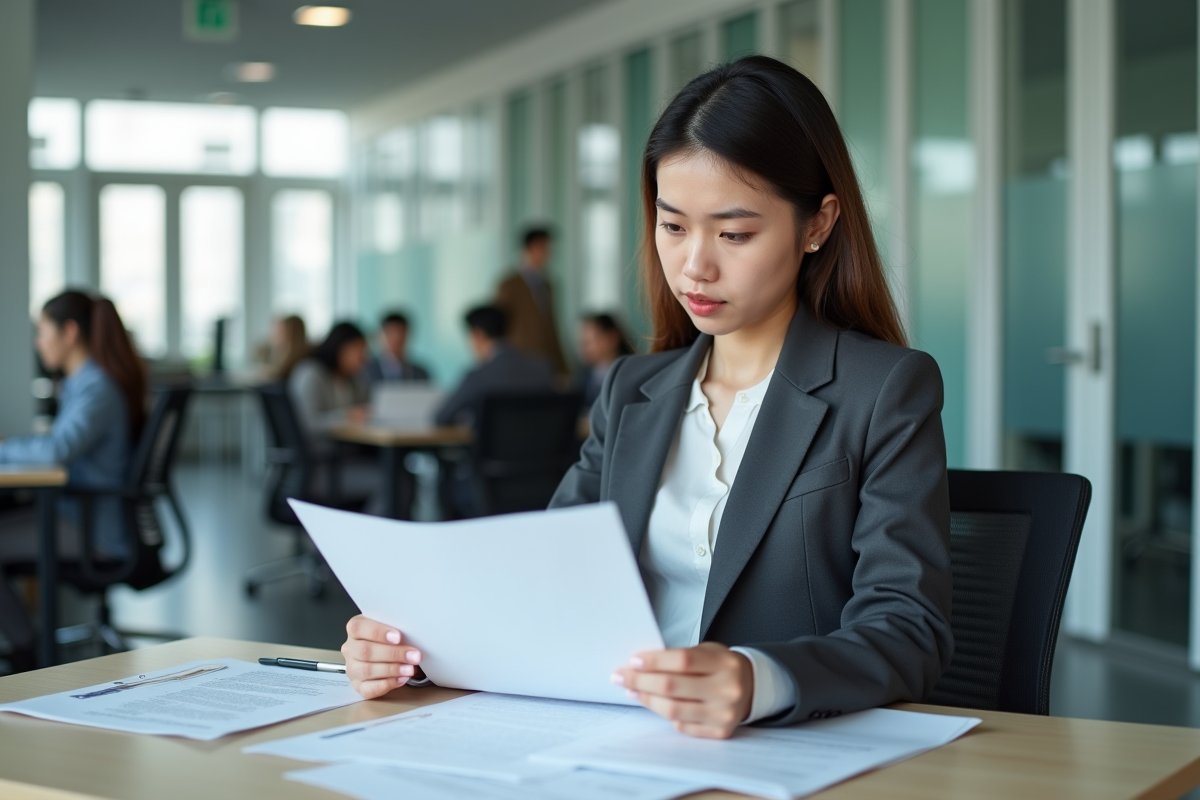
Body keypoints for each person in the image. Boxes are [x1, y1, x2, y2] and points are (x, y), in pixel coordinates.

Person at [340, 56, 952, 740]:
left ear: (817, 224)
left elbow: (909, 629)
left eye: (734, 232)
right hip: (607, 740)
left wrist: (758, 679)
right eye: (673, 226)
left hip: (774, 753)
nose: (696, 265)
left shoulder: (885, 389)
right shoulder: (634, 390)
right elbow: (540, 586)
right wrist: (414, 652)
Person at [0, 290, 147, 563]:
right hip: (80, 515)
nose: (38, 343)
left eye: (42, 332)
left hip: (94, 530)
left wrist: (4, 447)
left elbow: (56, 451)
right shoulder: (82, 384)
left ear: (69, 332)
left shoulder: (96, 388)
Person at [433, 306, 554, 428]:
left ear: (477, 334)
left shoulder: (477, 377)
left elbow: (442, 418)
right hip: (539, 446)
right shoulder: (542, 368)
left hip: (491, 446)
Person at [494, 226, 569, 378]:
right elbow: (499, 327)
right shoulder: (509, 285)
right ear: (530, 248)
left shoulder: (547, 285)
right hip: (520, 362)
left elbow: (552, 327)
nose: (548, 254)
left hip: (546, 362)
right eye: (544, 248)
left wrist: (563, 368)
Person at [288, 322, 371, 448]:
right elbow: (308, 423)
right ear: (342, 348)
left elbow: (364, 406)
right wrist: (346, 416)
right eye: (359, 352)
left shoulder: (351, 379)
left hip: (344, 449)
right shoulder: (311, 374)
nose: (363, 359)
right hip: (320, 452)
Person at [577, 313, 634, 408]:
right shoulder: (587, 375)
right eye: (582, 343)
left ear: (612, 339)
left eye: (589, 342)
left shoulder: (631, 373)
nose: (584, 349)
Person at [364, 312, 430, 384]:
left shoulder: (420, 374)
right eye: (390, 334)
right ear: (380, 335)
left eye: (401, 334)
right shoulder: (366, 371)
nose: (396, 339)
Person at [258, 315, 309, 384]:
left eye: (281, 331)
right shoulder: (284, 353)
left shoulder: (302, 361)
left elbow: (280, 374)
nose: (275, 335)